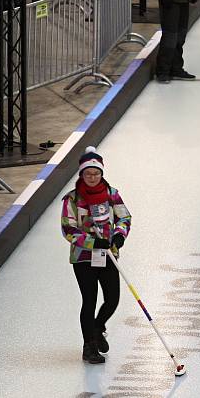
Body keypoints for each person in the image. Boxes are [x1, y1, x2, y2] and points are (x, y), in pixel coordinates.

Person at [61, 147, 131, 365]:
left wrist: (119, 236)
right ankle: (89, 346)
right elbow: (68, 229)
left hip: (108, 255)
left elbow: (124, 217)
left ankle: (98, 328)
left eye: (96, 173)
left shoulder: (112, 194)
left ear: (102, 174)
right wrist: (92, 242)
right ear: (81, 174)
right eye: (88, 174)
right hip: (83, 258)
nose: (92, 177)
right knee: (89, 301)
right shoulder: (72, 199)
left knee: (112, 299)